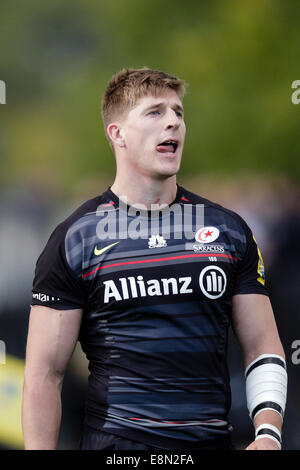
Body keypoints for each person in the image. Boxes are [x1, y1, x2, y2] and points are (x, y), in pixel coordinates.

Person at [22, 67, 287, 451]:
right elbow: (45, 373)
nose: (173, 123)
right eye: (155, 112)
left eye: (178, 113)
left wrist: (268, 433)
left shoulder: (227, 229)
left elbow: (263, 346)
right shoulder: (76, 237)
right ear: (117, 134)